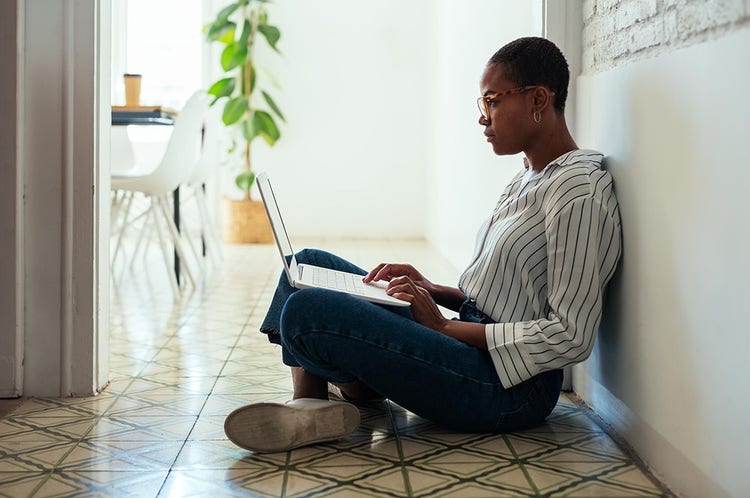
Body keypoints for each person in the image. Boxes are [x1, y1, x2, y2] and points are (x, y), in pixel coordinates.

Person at [223, 36, 622, 453]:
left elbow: (570, 335)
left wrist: (444, 326)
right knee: (305, 265)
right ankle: (314, 406)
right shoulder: (528, 176)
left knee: (308, 310)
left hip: (510, 388)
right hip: (467, 343)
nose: (483, 119)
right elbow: (504, 296)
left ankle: (345, 391)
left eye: (492, 101)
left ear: (538, 98)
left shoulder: (577, 190)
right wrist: (434, 291)